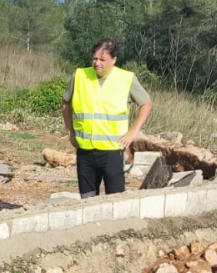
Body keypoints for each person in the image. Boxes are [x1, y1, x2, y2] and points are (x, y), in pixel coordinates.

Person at [62, 39, 153, 198]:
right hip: (85, 152)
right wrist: (70, 130)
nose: (97, 63)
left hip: (112, 151)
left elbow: (146, 103)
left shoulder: (126, 78)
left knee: (115, 199)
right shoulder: (80, 76)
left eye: (102, 60)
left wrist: (133, 133)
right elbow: (66, 102)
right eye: (95, 59)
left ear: (114, 59)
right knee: (87, 200)